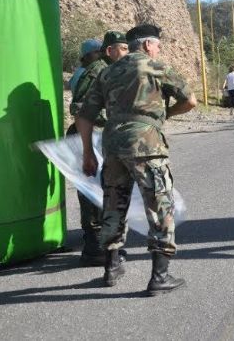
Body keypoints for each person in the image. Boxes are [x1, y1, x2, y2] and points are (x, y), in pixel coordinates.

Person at [77, 24, 197, 295]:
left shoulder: (107, 72)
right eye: (157, 45)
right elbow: (190, 101)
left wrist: (87, 153)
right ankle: (159, 277)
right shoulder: (155, 67)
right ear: (146, 45)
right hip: (147, 146)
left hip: (112, 147)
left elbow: (84, 116)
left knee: (113, 205)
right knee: (159, 207)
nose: (158, 50)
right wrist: (163, 115)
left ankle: (111, 268)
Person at [67, 33, 129, 266]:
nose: (126, 53)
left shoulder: (97, 70)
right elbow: (80, 108)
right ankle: (95, 247)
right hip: (90, 136)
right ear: (106, 51)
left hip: (94, 135)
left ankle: (99, 244)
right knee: (94, 191)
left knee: (97, 190)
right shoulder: (98, 70)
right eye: (123, 48)